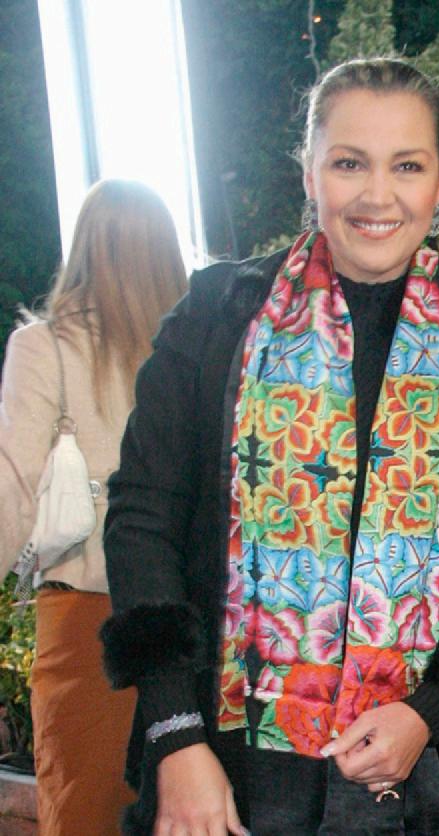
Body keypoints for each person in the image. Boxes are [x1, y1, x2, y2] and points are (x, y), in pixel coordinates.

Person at [99, 57, 439, 835]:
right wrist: (175, 735)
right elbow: (143, 519)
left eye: (407, 166)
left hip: (415, 776)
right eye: (349, 163)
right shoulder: (217, 315)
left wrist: (431, 712)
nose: (378, 195)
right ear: (309, 171)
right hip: (223, 771)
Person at [0, 179, 188, 835]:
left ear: (83, 247)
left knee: (84, 810)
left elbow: (14, 487)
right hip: (193, 626)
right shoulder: (197, 352)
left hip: (87, 626)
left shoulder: (44, 348)